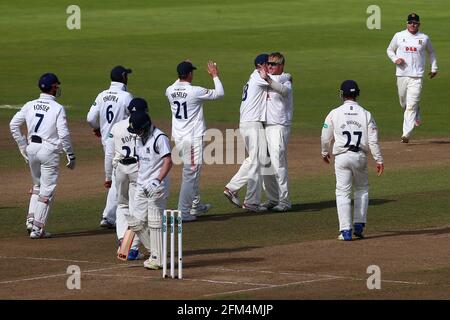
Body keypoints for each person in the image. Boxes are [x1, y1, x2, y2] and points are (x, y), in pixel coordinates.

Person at [10, 73, 76, 239]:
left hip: (32, 149)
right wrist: (70, 154)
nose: (58, 88)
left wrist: (23, 146)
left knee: (38, 186)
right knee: (47, 190)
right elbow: (64, 133)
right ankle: (37, 229)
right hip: (49, 151)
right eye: (57, 86)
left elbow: (13, 125)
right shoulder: (57, 108)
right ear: (53, 87)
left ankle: (31, 221)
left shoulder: (30, 105)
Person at [224, 53, 289, 212]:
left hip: (248, 123)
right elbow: (280, 83)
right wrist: (288, 75)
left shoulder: (253, 77)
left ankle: (235, 189)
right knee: (256, 161)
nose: (270, 67)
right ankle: (250, 201)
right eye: (268, 64)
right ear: (261, 66)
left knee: (258, 159)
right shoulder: (260, 78)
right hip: (253, 124)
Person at [321, 80, 384, 241]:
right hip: (359, 156)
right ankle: (359, 224)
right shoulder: (366, 114)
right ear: (357, 94)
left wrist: (324, 151)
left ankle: (345, 230)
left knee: (342, 192)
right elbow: (373, 140)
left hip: (341, 157)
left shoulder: (334, 113)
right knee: (362, 189)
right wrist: (379, 159)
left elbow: (325, 135)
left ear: (342, 94)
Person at [165, 60, 224, 221]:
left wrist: (183, 68)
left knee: (193, 173)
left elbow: (177, 84)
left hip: (179, 138)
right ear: (190, 74)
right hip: (192, 139)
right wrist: (215, 75)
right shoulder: (195, 91)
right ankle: (183, 212)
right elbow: (220, 93)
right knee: (190, 174)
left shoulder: (169, 90)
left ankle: (195, 205)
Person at [87, 65, 134, 228]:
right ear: (123, 77)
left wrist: (97, 128)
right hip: (121, 141)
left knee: (117, 176)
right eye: (126, 75)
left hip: (106, 141)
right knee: (117, 178)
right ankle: (109, 216)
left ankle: (113, 215)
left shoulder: (101, 95)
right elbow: (134, 118)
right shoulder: (126, 96)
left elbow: (90, 118)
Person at [125, 111, 172, 270]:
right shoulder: (139, 138)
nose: (137, 133)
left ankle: (157, 258)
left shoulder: (160, 137)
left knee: (154, 223)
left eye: (138, 130)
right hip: (141, 184)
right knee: (135, 221)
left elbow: (168, 161)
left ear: (145, 126)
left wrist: (157, 180)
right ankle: (156, 253)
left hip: (156, 186)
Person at [104, 98, 149, 260]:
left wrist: (108, 176)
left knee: (122, 205)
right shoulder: (146, 126)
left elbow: (109, 154)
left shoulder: (116, 127)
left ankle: (123, 240)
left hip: (120, 169)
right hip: (138, 170)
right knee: (137, 209)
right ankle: (131, 247)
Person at [386, 12, 438, 143]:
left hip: (417, 76)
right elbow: (389, 50)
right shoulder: (399, 35)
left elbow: (431, 52)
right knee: (403, 102)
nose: (412, 25)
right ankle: (416, 111)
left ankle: (406, 133)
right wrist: (395, 59)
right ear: (406, 23)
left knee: (411, 105)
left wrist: (434, 68)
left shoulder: (424, 38)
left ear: (419, 24)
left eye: (415, 23)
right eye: (410, 22)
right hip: (402, 75)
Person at [261, 52, 293, 212]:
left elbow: (284, 91)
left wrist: (268, 79)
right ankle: (273, 199)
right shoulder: (268, 78)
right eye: (268, 64)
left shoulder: (285, 80)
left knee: (278, 163)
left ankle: (285, 201)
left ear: (281, 66)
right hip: (266, 125)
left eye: (273, 64)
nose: (270, 66)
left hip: (280, 126)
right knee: (265, 164)